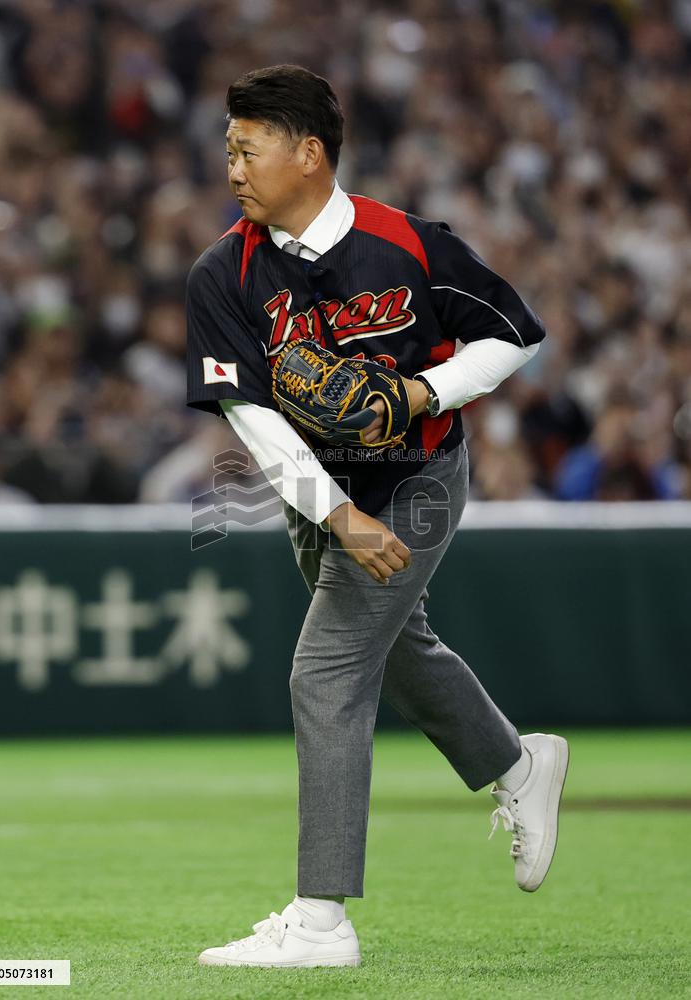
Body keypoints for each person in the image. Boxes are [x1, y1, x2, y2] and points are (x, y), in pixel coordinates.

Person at [186, 64, 569, 968]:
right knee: (394, 650)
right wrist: (339, 517)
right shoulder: (223, 271)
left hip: (423, 474)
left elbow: (513, 336)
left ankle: (322, 922)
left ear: (308, 154)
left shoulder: (409, 243)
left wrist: (423, 389)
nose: (232, 167)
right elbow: (255, 423)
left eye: (248, 147)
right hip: (320, 495)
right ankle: (520, 765)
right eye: (228, 148)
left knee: (324, 673)